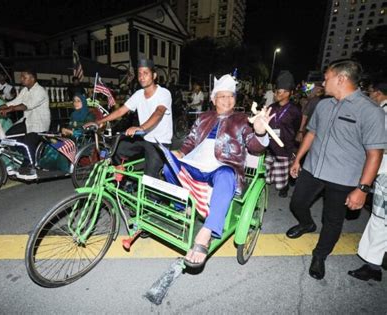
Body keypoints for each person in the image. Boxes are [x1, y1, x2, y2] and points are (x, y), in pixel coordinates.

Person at [287, 60, 386, 280]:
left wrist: (362, 189)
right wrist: (298, 159)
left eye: (327, 77)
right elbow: (311, 133)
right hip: (313, 169)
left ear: (341, 79)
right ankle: (306, 223)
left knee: (332, 221)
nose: (324, 82)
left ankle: (320, 256)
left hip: (343, 177)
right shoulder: (323, 105)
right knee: (297, 203)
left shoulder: (370, 111)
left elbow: (375, 154)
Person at [164, 74, 272, 268]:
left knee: (226, 175)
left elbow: (255, 147)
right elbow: (189, 142)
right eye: (222, 96)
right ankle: (183, 207)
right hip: (197, 165)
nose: (227, 100)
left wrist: (260, 131)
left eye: (231, 96)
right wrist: (178, 153)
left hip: (222, 167)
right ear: (213, 100)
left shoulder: (242, 120)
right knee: (168, 164)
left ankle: (207, 232)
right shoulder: (203, 117)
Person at [85, 59, 172, 178]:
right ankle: (125, 181)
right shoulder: (138, 94)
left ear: (154, 75)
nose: (141, 77)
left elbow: (159, 112)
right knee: (117, 149)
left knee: (150, 180)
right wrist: (99, 121)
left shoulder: (164, 93)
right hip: (144, 137)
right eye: (140, 74)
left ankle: (153, 195)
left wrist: (140, 127)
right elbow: (121, 110)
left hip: (159, 142)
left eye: (145, 73)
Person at [348, 81, 387, 282]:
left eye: (370, 91)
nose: (369, 95)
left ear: (378, 93)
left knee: (380, 222)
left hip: (385, 177)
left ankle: (373, 266)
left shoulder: (383, 114)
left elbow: (378, 147)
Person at [0, 69, 51, 180]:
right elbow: (15, 101)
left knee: (29, 142)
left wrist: (11, 109)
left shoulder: (40, 91)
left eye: (24, 77)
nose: (21, 79)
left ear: (32, 78)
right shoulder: (25, 90)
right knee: (8, 136)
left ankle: (30, 165)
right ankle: (28, 158)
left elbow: (28, 105)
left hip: (39, 123)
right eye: (21, 77)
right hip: (27, 121)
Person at [265, 71, 302, 198]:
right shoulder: (271, 107)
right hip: (269, 145)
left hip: (285, 144)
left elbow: (296, 126)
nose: (276, 94)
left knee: (282, 171)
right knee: (267, 171)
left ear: (288, 93)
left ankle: (284, 187)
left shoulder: (295, 110)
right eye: (276, 91)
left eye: (279, 92)